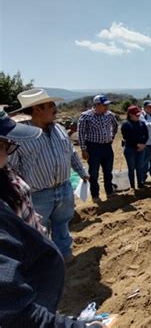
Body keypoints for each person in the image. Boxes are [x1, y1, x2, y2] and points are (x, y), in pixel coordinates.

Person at [0, 111, 104, 327]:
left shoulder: (56, 132)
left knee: (61, 226)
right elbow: (17, 315)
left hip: (59, 191)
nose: (8, 152)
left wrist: (29, 221)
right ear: (36, 109)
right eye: (3, 146)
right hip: (28, 292)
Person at [9, 89, 89, 261]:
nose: (55, 108)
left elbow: (71, 153)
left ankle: (64, 257)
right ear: (38, 109)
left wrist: (82, 172)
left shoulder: (59, 129)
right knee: (38, 231)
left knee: (62, 225)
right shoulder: (20, 135)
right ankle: (46, 263)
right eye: (51, 105)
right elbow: (13, 167)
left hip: (64, 188)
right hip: (38, 194)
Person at [78, 94, 118, 201]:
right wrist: (83, 149)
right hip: (93, 147)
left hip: (107, 146)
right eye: (104, 105)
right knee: (94, 173)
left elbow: (115, 126)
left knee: (108, 171)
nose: (107, 107)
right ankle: (95, 195)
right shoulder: (86, 116)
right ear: (97, 105)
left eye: (107, 105)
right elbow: (81, 133)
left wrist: (112, 137)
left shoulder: (109, 115)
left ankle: (109, 191)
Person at [121, 105, 149, 189]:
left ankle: (140, 183)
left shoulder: (142, 123)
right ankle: (132, 185)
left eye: (138, 114)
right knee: (131, 168)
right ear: (130, 114)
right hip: (130, 149)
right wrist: (137, 144)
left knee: (140, 167)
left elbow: (146, 135)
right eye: (136, 115)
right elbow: (127, 137)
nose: (138, 116)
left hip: (141, 149)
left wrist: (143, 144)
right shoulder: (126, 124)